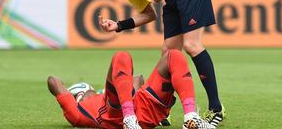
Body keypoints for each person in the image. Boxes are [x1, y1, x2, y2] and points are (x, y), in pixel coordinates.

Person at [73, 0, 225, 127]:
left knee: (191, 44)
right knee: (168, 54)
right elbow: (148, 14)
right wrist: (119, 25)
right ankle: (163, 110)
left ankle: (216, 109)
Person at [48, 49, 215, 129]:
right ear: (80, 95)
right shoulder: (77, 113)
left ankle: (190, 118)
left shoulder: (80, 113)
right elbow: (53, 81)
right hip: (120, 113)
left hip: (141, 109)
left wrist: (121, 91)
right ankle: (129, 120)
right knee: (121, 56)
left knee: (174, 55)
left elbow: (138, 78)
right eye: (88, 90)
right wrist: (69, 95)